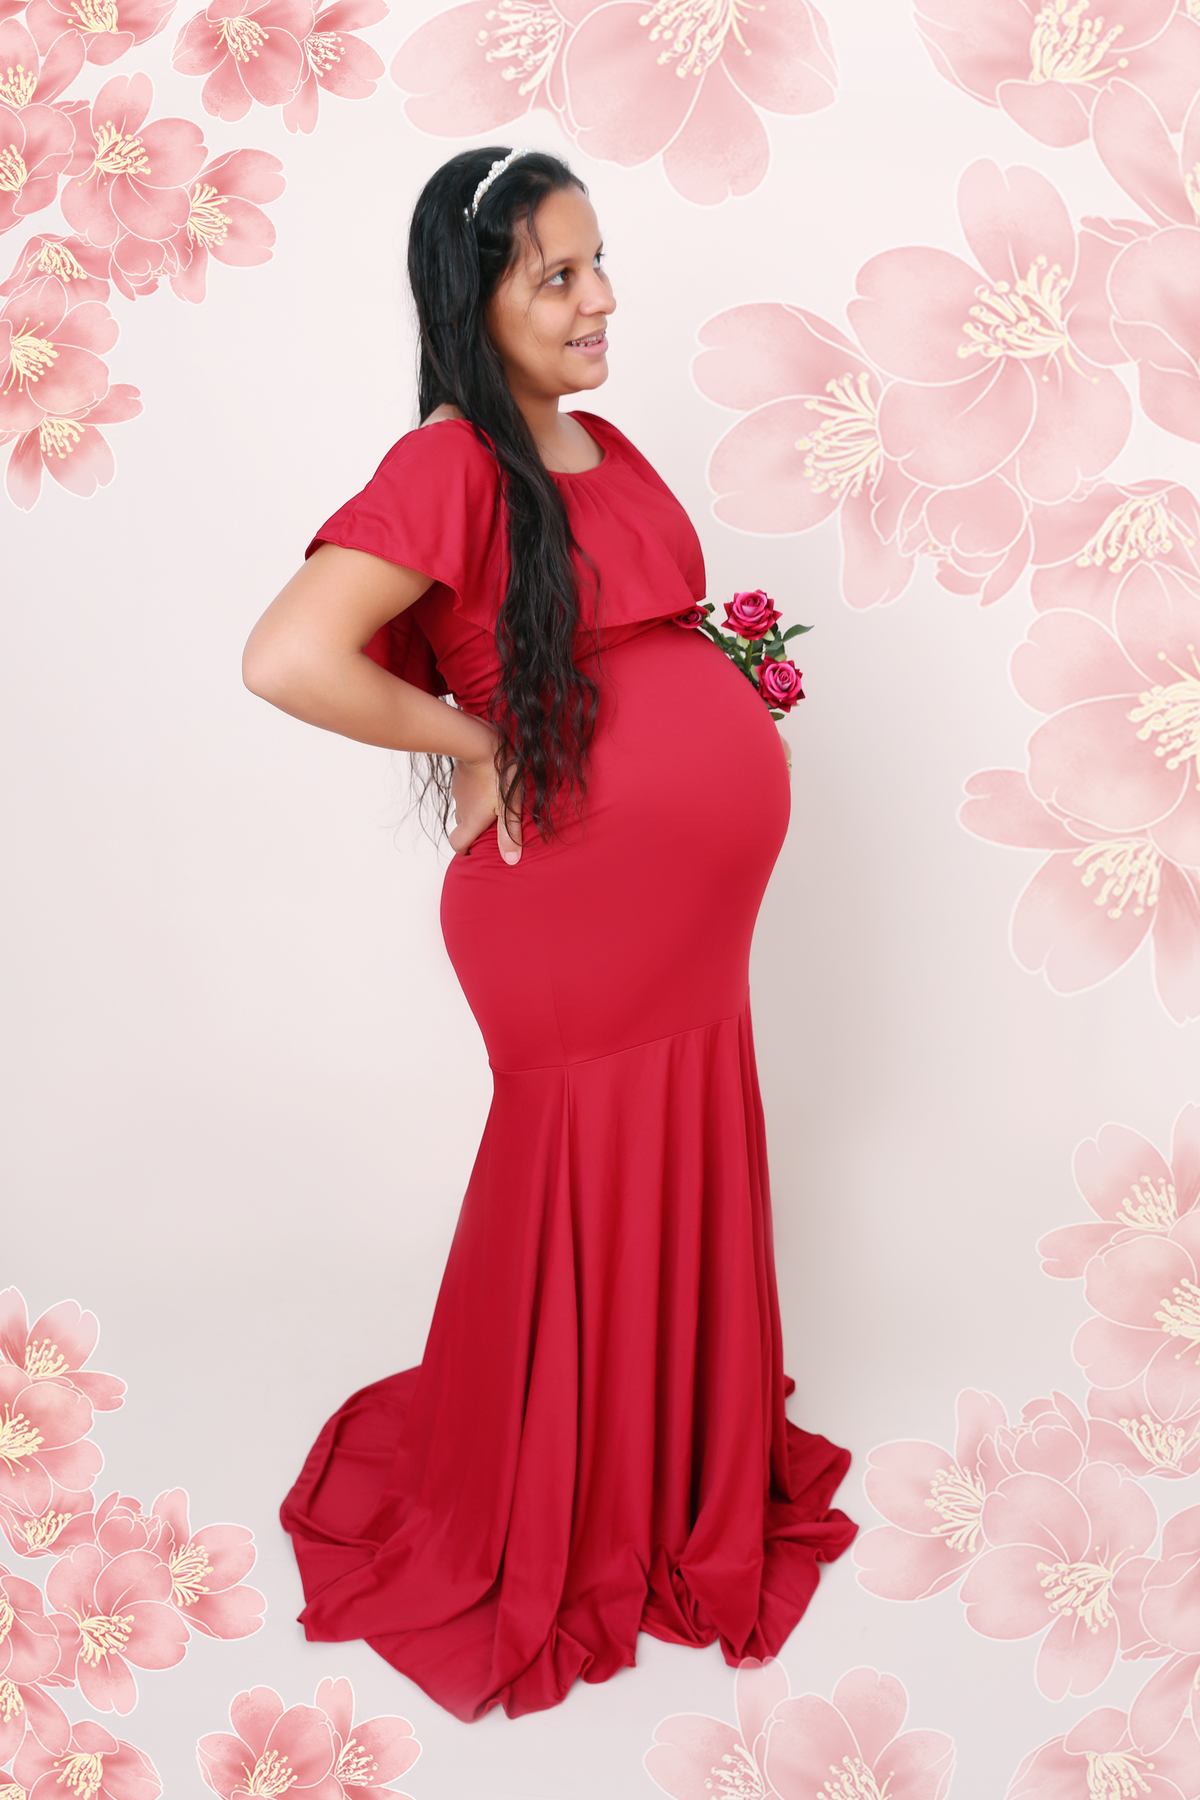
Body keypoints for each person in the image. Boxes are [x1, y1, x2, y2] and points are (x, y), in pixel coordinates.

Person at [244, 145, 855, 1724]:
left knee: (674, 1136)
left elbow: (638, 634)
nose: (599, 302)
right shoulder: (449, 463)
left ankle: (661, 1467)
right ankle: (566, 1497)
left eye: (599, 265)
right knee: (582, 1159)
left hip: (686, 937)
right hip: (572, 915)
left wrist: (725, 702)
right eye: (558, 276)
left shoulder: (604, 443)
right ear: (478, 299)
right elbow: (289, 656)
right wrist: (481, 742)